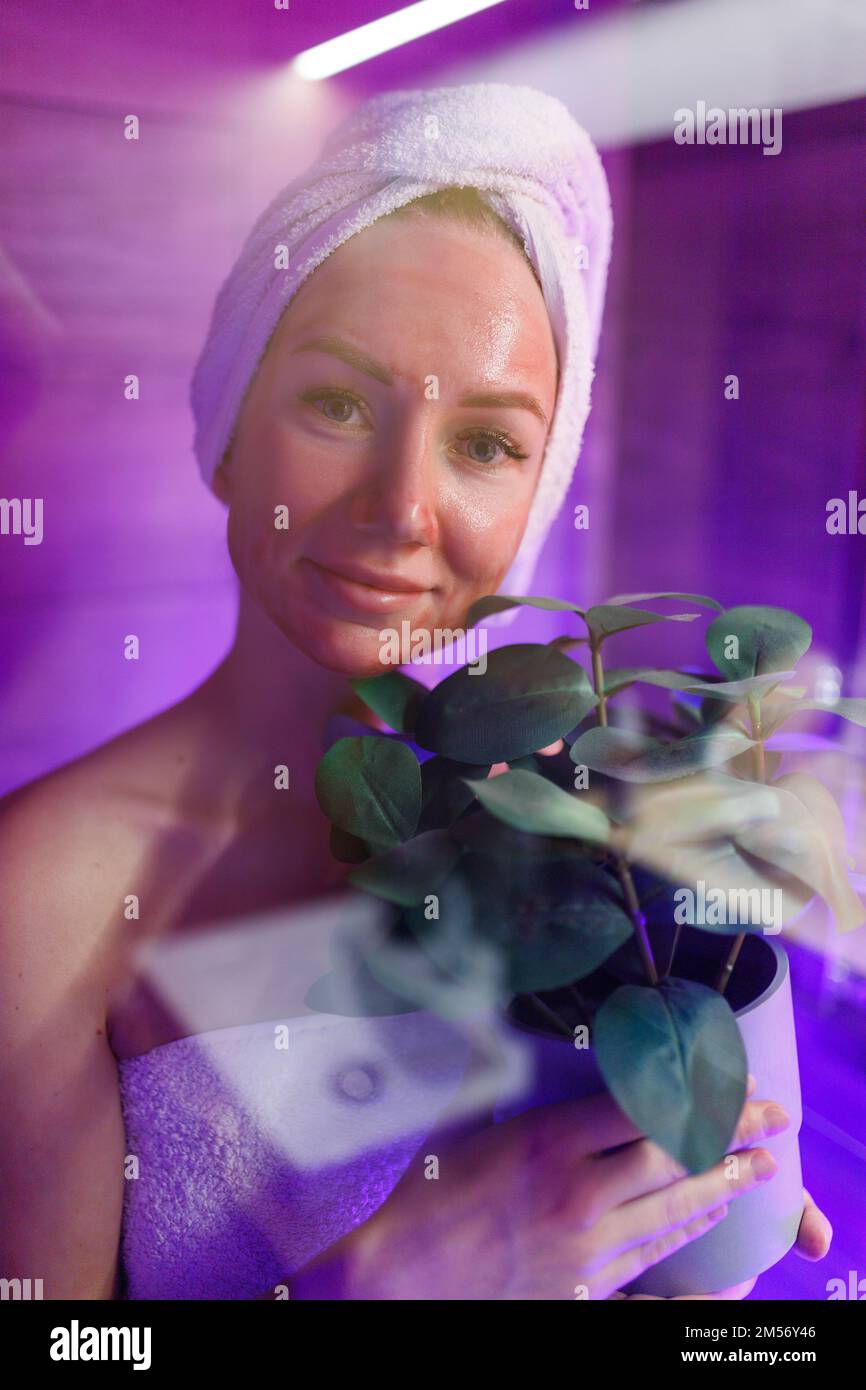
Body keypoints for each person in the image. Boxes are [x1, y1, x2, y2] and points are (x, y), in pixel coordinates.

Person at [0, 84, 832, 1301]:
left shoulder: (584, 840)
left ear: (539, 493)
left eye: (487, 444)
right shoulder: (41, 902)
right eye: (338, 404)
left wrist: (685, 1198)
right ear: (230, 427)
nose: (400, 508)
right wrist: (383, 1283)